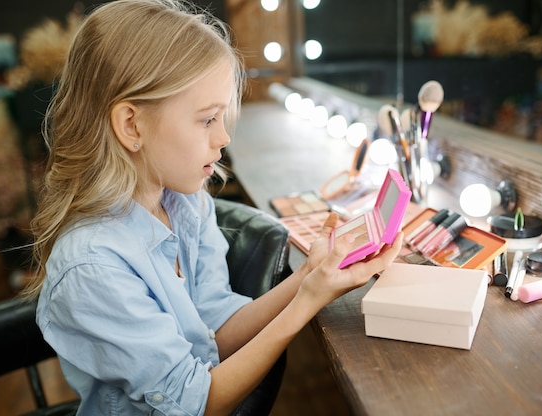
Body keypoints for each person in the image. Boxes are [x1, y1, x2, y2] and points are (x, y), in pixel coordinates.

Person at [21, 1, 403, 415]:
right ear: (131, 125)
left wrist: (310, 274)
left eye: (222, 117)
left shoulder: (186, 203)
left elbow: (214, 333)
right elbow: (200, 403)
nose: (222, 138)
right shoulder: (93, 267)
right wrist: (307, 302)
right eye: (206, 120)